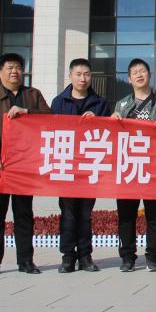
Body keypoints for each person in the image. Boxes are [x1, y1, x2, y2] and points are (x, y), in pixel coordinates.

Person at [0, 52, 51, 276]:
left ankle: (26, 261)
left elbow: (49, 117)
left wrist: (27, 112)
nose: (15, 72)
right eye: (10, 68)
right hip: (0, 167)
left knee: (24, 214)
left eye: (18, 68)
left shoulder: (32, 95)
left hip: (25, 166)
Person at [111, 58, 156, 272]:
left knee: (155, 216)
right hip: (128, 167)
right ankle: (127, 257)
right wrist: (112, 121)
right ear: (129, 79)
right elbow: (113, 136)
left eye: (143, 71)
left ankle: (153, 256)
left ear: (150, 75)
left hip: (154, 169)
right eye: (135, 72)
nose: (139, 75)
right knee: (126, 216)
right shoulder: (121, 105)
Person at [50, 58, 110, 273]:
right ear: (70, 76)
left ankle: (85, 256)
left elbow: (110, 132)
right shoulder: (59, 102)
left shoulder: (100, 103)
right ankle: (68, 257)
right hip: (66, 165)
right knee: (68, 214)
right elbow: (50, 130)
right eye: (78, 74)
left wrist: (98, 120)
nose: (83, 78)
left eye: (87, 74)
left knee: (85, 214)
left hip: (89, 167)